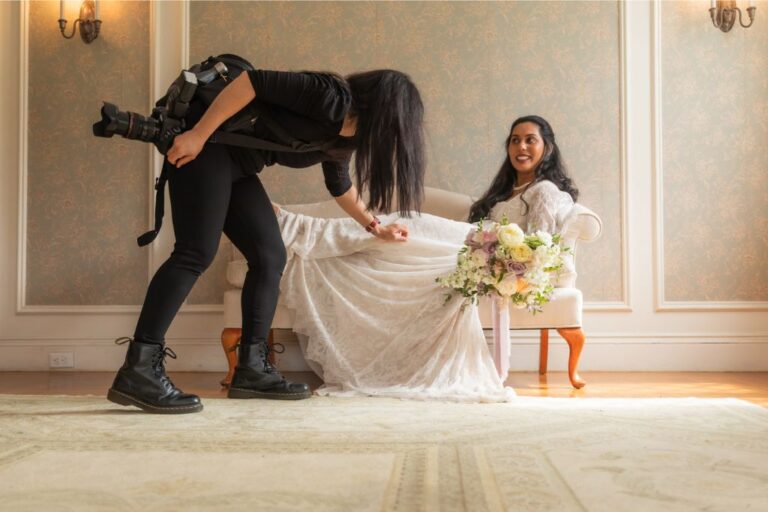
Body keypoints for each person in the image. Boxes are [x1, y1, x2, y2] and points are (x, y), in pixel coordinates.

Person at [107, 68, 426, 414]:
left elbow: (340, 185)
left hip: (239, 166)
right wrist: (197, 135)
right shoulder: (329, 96)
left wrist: (374, 226)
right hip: (208, 146)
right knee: (195, 252)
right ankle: (139, 368)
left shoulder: (345, 138)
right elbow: (249, 82)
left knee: (270, 256)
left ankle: (252, 369)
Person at [271, 115, 579, 402]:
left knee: (404, 230)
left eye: (530, 140)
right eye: (514, 140)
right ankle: (303, 229)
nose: (520, 147)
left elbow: (540, 249)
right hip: (468, 245)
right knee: (399, 232)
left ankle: (299, 227)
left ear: (547, 147)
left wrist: (495, 267)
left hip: (473, 253)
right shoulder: (509, 191)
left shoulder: (544, 191)